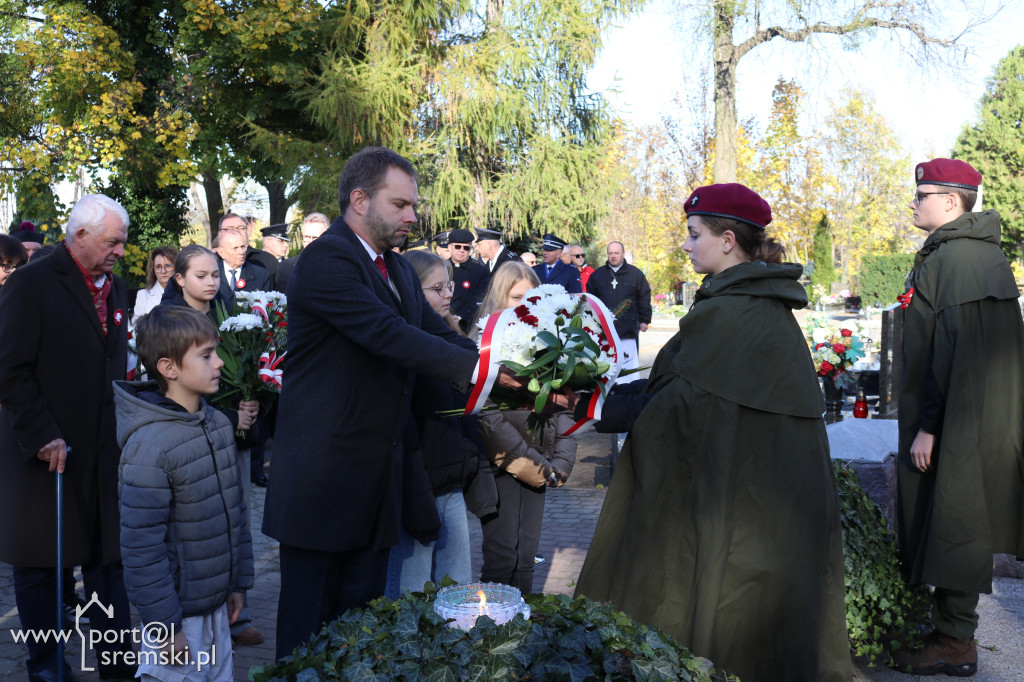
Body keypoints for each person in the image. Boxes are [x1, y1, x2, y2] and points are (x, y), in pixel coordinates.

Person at [573, 183, 851, 682]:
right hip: (759, 511)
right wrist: (597, 402)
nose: (686, 245)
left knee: (727, 627)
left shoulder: (736, 310)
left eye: (694, 234)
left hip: (747, 513)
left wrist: (596, 406)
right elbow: (685, 395)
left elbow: (678, 412)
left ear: (728, 240)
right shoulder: (753, 303)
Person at [262, 146, 489, 660]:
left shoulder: (397, 267)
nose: (413, 216)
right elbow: (388, 335)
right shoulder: (326, 261)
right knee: (307, 638)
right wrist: (479, 372)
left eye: (414, 206)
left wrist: (508, 371)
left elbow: (439, 335)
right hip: (321, 484)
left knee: (358, 635)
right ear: (360, 200)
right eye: (401, 204)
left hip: (373, 483)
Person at [892, 159, 1024, 678]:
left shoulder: (958, 260)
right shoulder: (972, 255)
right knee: (957, 516)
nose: (913, 201)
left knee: (956, 517)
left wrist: (931, 426)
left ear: (951, 202)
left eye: (921, 193)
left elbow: (950, 349)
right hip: (969, 414)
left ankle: (954, 642)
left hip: (955, 419)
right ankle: (950, 629)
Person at [0, 194, 137, 681]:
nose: (121, 250)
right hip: (46, 456)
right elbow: (10, 370)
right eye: (113, 242)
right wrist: (42, 434)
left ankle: (118, 668)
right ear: (79, 237)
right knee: (44, 570)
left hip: (102, 455)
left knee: (108, 565)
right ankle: (47, 668)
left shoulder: (119, 289)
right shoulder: (31, 284)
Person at [115, 305, 254, 681]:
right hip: (177, 620)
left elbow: (236, 511)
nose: (220, 364)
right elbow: (142, 548)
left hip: (215, 609)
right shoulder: (149, 446)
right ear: (169, 368)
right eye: (206, 355)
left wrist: (238, 582)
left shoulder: (217, 424)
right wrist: (164, 626)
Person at [157, 245, 263, 647]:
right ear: (179, 279)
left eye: (215, 275)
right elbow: (171, 384)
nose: (211, 282)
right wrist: (226, 414)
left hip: (236, 433)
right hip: (193, 438)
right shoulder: (166, 322)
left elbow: (245, 368)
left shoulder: (232, 317)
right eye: (201, 276)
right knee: (197, 527)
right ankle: (188, 617)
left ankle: (239, 613)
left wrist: (253, 400)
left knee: (237, 520)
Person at [385, 250, 498, 597]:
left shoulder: (455, 336)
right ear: (412, 293)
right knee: (412, 592)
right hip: (419, 485)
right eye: (437, 288)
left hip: (451, 484)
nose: (448, 293)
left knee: (459, 588)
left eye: (449, 285)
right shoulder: (407, 347)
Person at [473, 262, 577, 594]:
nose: (524, 305)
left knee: (526, 555)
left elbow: (563, 404)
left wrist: (560, 462)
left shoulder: (549, 343)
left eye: (532, 298)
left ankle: (524, 627)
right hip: (501, 467)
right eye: (516, 297)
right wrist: (530, 465)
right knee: (501, 555)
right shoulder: (483, 345)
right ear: (498, 298)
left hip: (542, 465)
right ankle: (493, 631)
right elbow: (486, 416)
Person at [586, 241, 651, 377]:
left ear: (623, 254)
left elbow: (644, 297)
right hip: (603, 331)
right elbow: (590, 301)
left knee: (628, 368)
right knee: (605, 368)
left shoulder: (636, 275)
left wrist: (645, 320)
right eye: (610, 253)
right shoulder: (597, 276)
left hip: (627, 330)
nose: (613, 256)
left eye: (616, 253)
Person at [447, 228, 490, 332]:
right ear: (449, 247)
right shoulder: (440, 267)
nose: (462, 250)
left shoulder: (480, 271)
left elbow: (479, 298)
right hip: (441, 320)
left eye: (466, 248)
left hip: (466, 323)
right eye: (458, 247)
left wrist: (460, 317)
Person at [276, 212, 330, 294]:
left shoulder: (339, 266)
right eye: (307, 237)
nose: (311, 242)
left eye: (315, 238)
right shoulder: (287, 267)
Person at [214, 228, 271, 305]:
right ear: (221, 252)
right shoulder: (211, 275)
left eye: (242, 247)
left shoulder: (261, 275)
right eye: (235, 248)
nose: (241, 252)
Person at [132, 246, 179, 324]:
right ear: (153, 270)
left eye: (168, 265)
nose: (163, 271)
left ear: (176, 267)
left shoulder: (186, 293)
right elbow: (137, 325)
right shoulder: (143, 295)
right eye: (158, 267)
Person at [249, 223, 291, 290]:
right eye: (281, 241)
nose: (286, 245)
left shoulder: (288, 266)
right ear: (267, 242)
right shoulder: (253, 261)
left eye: (287, 241)